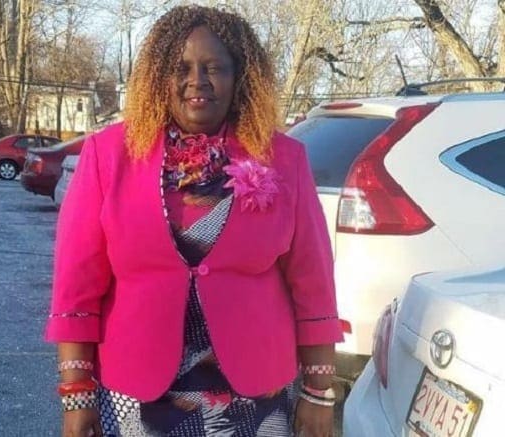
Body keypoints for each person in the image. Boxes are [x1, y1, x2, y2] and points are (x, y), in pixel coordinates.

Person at [46, 5, 343, 437]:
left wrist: (318, 391)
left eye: (214, 68)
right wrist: (77, 392)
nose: (197, 80)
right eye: (180, 68)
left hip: (254, 394)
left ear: (240, 76)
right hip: (137, 393)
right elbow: (77, 285)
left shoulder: (284, 159)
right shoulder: (107, 156)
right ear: (158, 77)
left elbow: (314, 282)